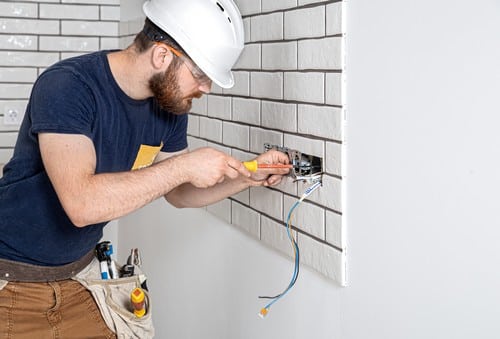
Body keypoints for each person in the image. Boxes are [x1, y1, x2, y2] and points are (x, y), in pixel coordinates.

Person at [0, 0, 290, 337]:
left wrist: (246, 177)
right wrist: (184, 166)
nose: (206, 88)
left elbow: (179, 193)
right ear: (162, 56)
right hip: (12, 281)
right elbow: (82, 205)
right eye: (200, 75)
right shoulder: (68, 86)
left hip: (81, 276)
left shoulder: (169, 108)